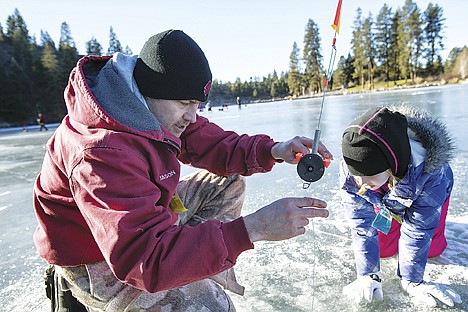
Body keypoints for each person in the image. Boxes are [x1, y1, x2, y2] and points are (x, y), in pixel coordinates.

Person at [33, 29, 332, 311]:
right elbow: (143, 259)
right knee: (213, 307)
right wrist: (253, 228)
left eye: (197, 104)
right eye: (185, 103)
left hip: (137, 221)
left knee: (226, 183)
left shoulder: (150, 108)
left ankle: (192, 265)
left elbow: (214, 144)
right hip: (99, 256)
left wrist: (274, 150)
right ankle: (177, 274)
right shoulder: (100, 153)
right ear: (150, 91)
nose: (192, 115)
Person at [339, 105, 462, 308]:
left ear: (389, 164)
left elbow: (418, 230)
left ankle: (434, 229)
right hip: (386, 189)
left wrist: (412, 281)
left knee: (431, 249)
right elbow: (361, 224)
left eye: (367, 175)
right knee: (383, 250)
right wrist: (368, 274)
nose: (360, 182)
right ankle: (393, 211)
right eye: (356, 175)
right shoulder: (353, 170)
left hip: (425, 192)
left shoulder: (432, 175)